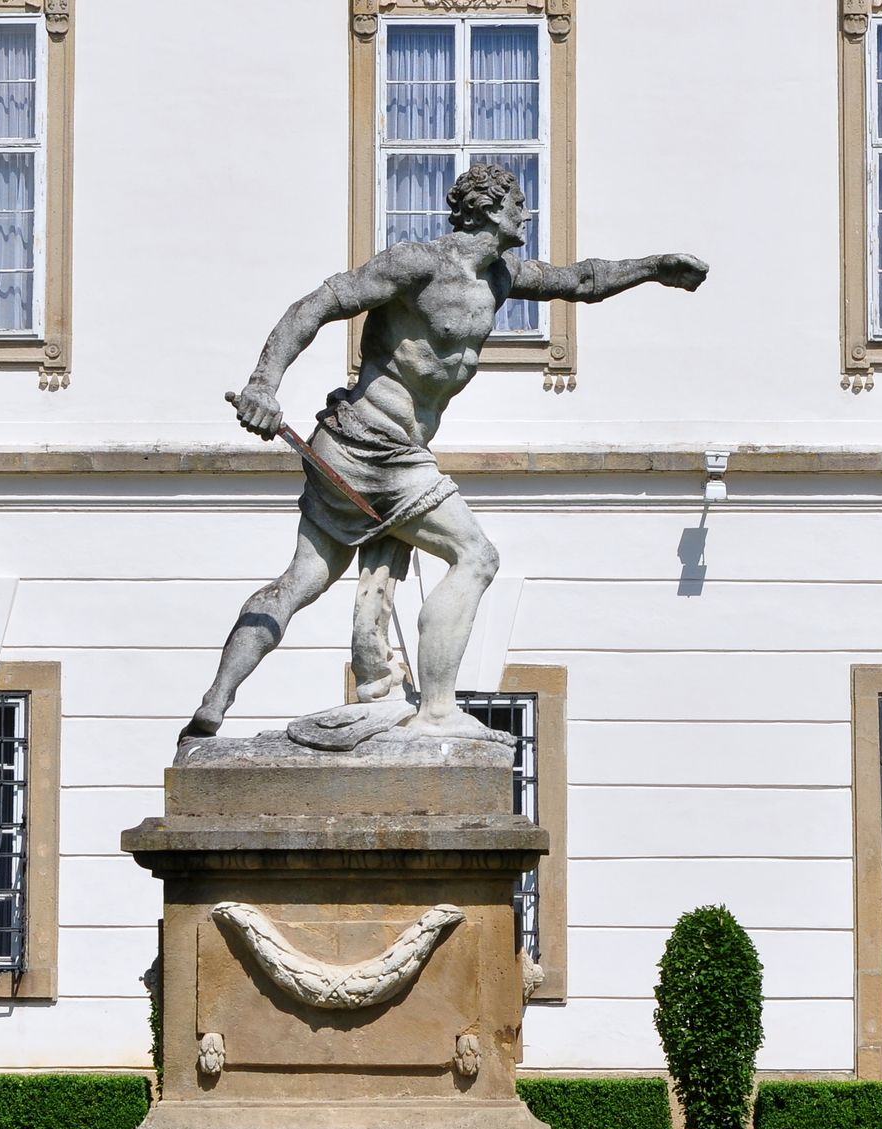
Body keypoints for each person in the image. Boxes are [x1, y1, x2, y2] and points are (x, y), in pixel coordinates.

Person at [182, 163, 708, 742]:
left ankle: (214, 702)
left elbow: (583, 280)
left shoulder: (502, 276)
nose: (527, 214)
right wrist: (263, 384)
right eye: (518, 203)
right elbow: (317, 305)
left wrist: (653, 268)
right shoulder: (417, 264)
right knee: (476, 556)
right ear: (487, 208)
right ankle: (436, 712)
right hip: (375, 447)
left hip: (367, 451)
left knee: (300, 581)